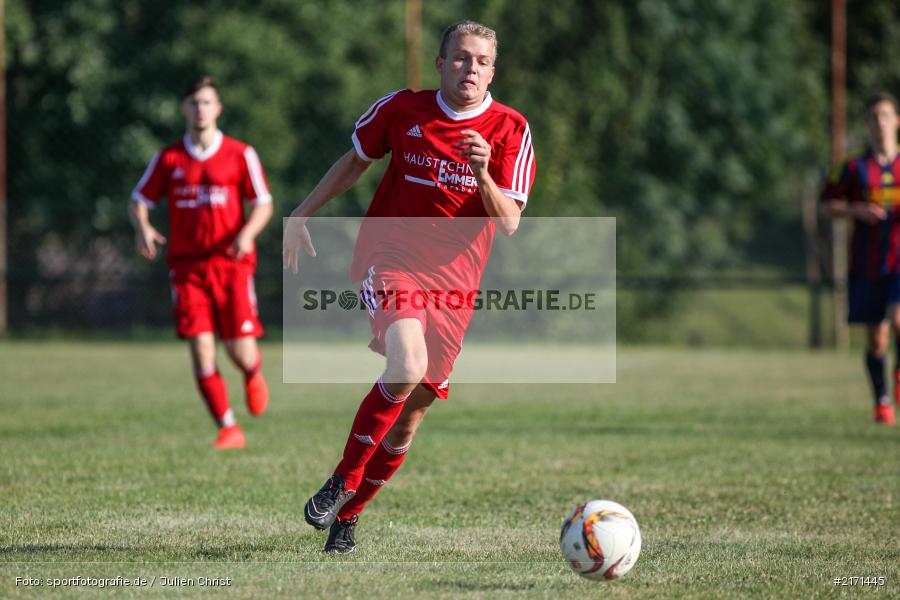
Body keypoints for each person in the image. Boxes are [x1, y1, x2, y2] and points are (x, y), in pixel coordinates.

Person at [283, 20, 536, 553]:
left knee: (408, 421)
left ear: (493, 72)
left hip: (456, 287)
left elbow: (508, 220)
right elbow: (356, 161)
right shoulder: (403, 108)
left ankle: (348, 518)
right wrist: (301, 213)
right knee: (405, 366)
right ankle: (341, 479)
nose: (471, 69)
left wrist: (484, 172)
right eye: (461, 58)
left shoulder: (511, 129)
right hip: (392, 257)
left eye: (482, 62)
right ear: (441, 63)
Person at [129, 76, 273, 448]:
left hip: (231, 264)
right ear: (184, 109)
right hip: (187, 268)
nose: (200, 109)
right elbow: (138, 200)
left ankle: (252, 371)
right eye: (193, 103)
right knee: (201, 348)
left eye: (207, 102)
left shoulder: (241, 154)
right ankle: (228, 427)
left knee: (238, 349)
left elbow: (263, 202)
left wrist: (246, 234)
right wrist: (142, 226)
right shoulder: (169, 157)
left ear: (218, 108)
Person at [821, 92, 900, 425]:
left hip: (899, 263)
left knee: (899, 322)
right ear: (867, 124)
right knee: (876, 338)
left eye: (885, 115)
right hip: (866, 265)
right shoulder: (852, 168)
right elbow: (825, 206)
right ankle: (882, 399)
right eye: (873, 116)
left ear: (896, 120)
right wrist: (856, 210)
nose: (879, 122)